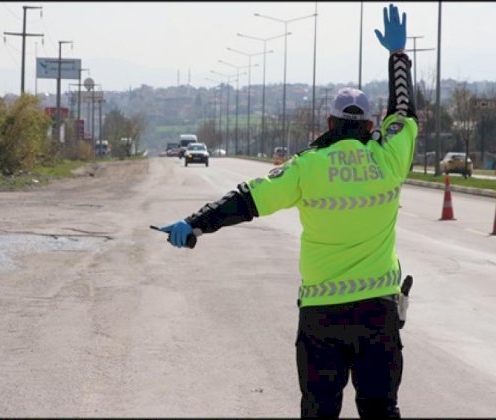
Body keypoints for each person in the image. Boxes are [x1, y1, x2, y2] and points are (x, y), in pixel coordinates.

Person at [159, 3, 417, 418]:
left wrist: (194, 225)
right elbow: (404, 112)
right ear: (370, 126)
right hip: (378, 314)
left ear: (330, 124)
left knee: (318, 411)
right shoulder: (389, 160)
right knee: (381, 408)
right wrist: (398, 57)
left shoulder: (305, 167)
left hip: (321, 318)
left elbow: (246, 200)